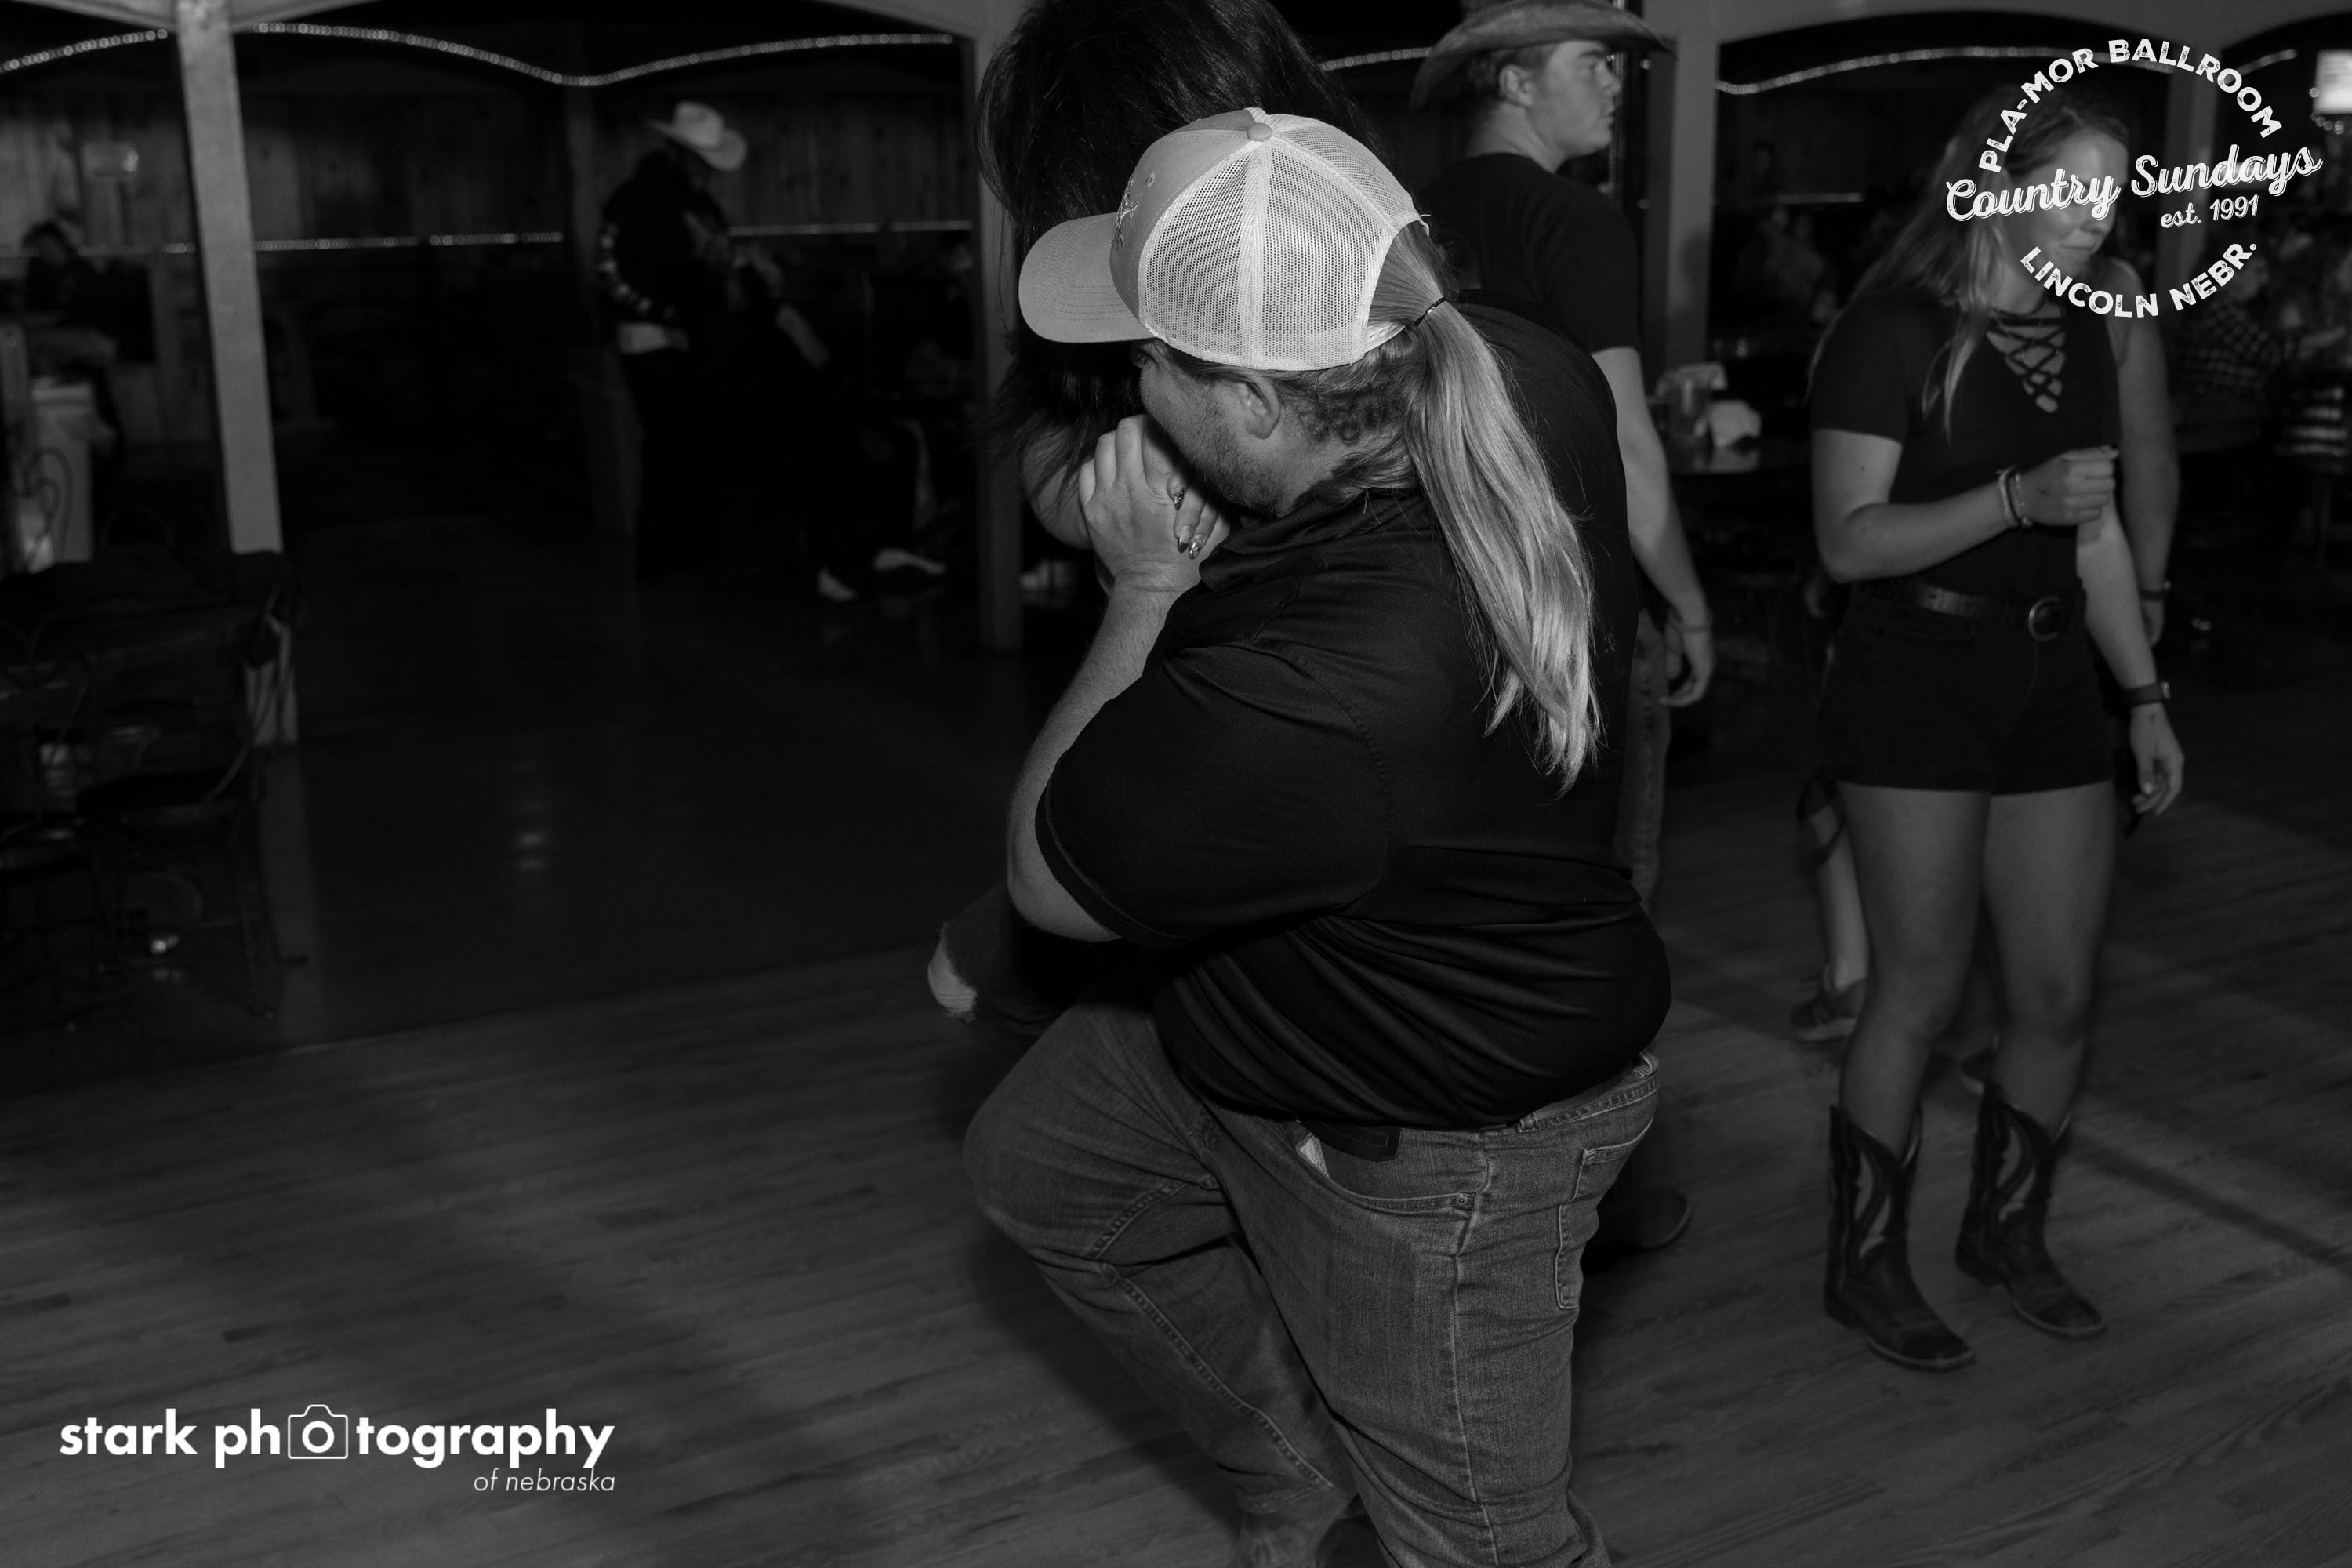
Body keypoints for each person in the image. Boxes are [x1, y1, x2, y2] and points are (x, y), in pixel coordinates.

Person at [964, 111, 1662, 1567]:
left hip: (1436, 1143)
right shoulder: (1509, 359)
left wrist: (1144, 587)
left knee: (1488, 1550)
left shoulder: (1320, 681)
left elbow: (1048, 880)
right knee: (1047, 1173)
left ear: (1253, 403)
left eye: (1148, 359)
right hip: (1279, 1007)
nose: (1128, 389)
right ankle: (1304, 1483)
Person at [1808, 88, 2184, 1372]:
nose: (2096, 217)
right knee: (1917, 987)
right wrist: (2015, 495)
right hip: (1915, 673)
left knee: (2058, 991)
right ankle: (1866, 1263)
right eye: (2070, 188)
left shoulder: (2087, 336)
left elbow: (2098, 532)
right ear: (1992, 182)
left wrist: (2144, 696)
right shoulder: (1889, 332)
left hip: (2051, 683)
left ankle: (2006, 1233)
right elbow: (1848, 541)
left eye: (2112, 194)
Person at [1414, 0, 1707, 1257]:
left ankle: (1475, 1177)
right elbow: (1627, 443)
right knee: (1602, 902)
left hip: (1442, 612)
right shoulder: (1574, 220)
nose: (1616, 88)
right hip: (1575, 613)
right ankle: (1585, 1200)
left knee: (1475, 902)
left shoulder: (1411, 217)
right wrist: (1688, 598)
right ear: (1516, 80)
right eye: (1596, 64)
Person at [598, 102, 746, 583]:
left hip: (694, 341)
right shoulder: (636, 200)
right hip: (651, 340)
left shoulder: (700, 206)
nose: (706, 170)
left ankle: (690, 551)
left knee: (692, 444)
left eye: (709, 162)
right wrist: (666, 313)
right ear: (676, 153)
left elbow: (716, 264)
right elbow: (611, 272)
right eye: (698, 159)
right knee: (668, 445)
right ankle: (662, 557)